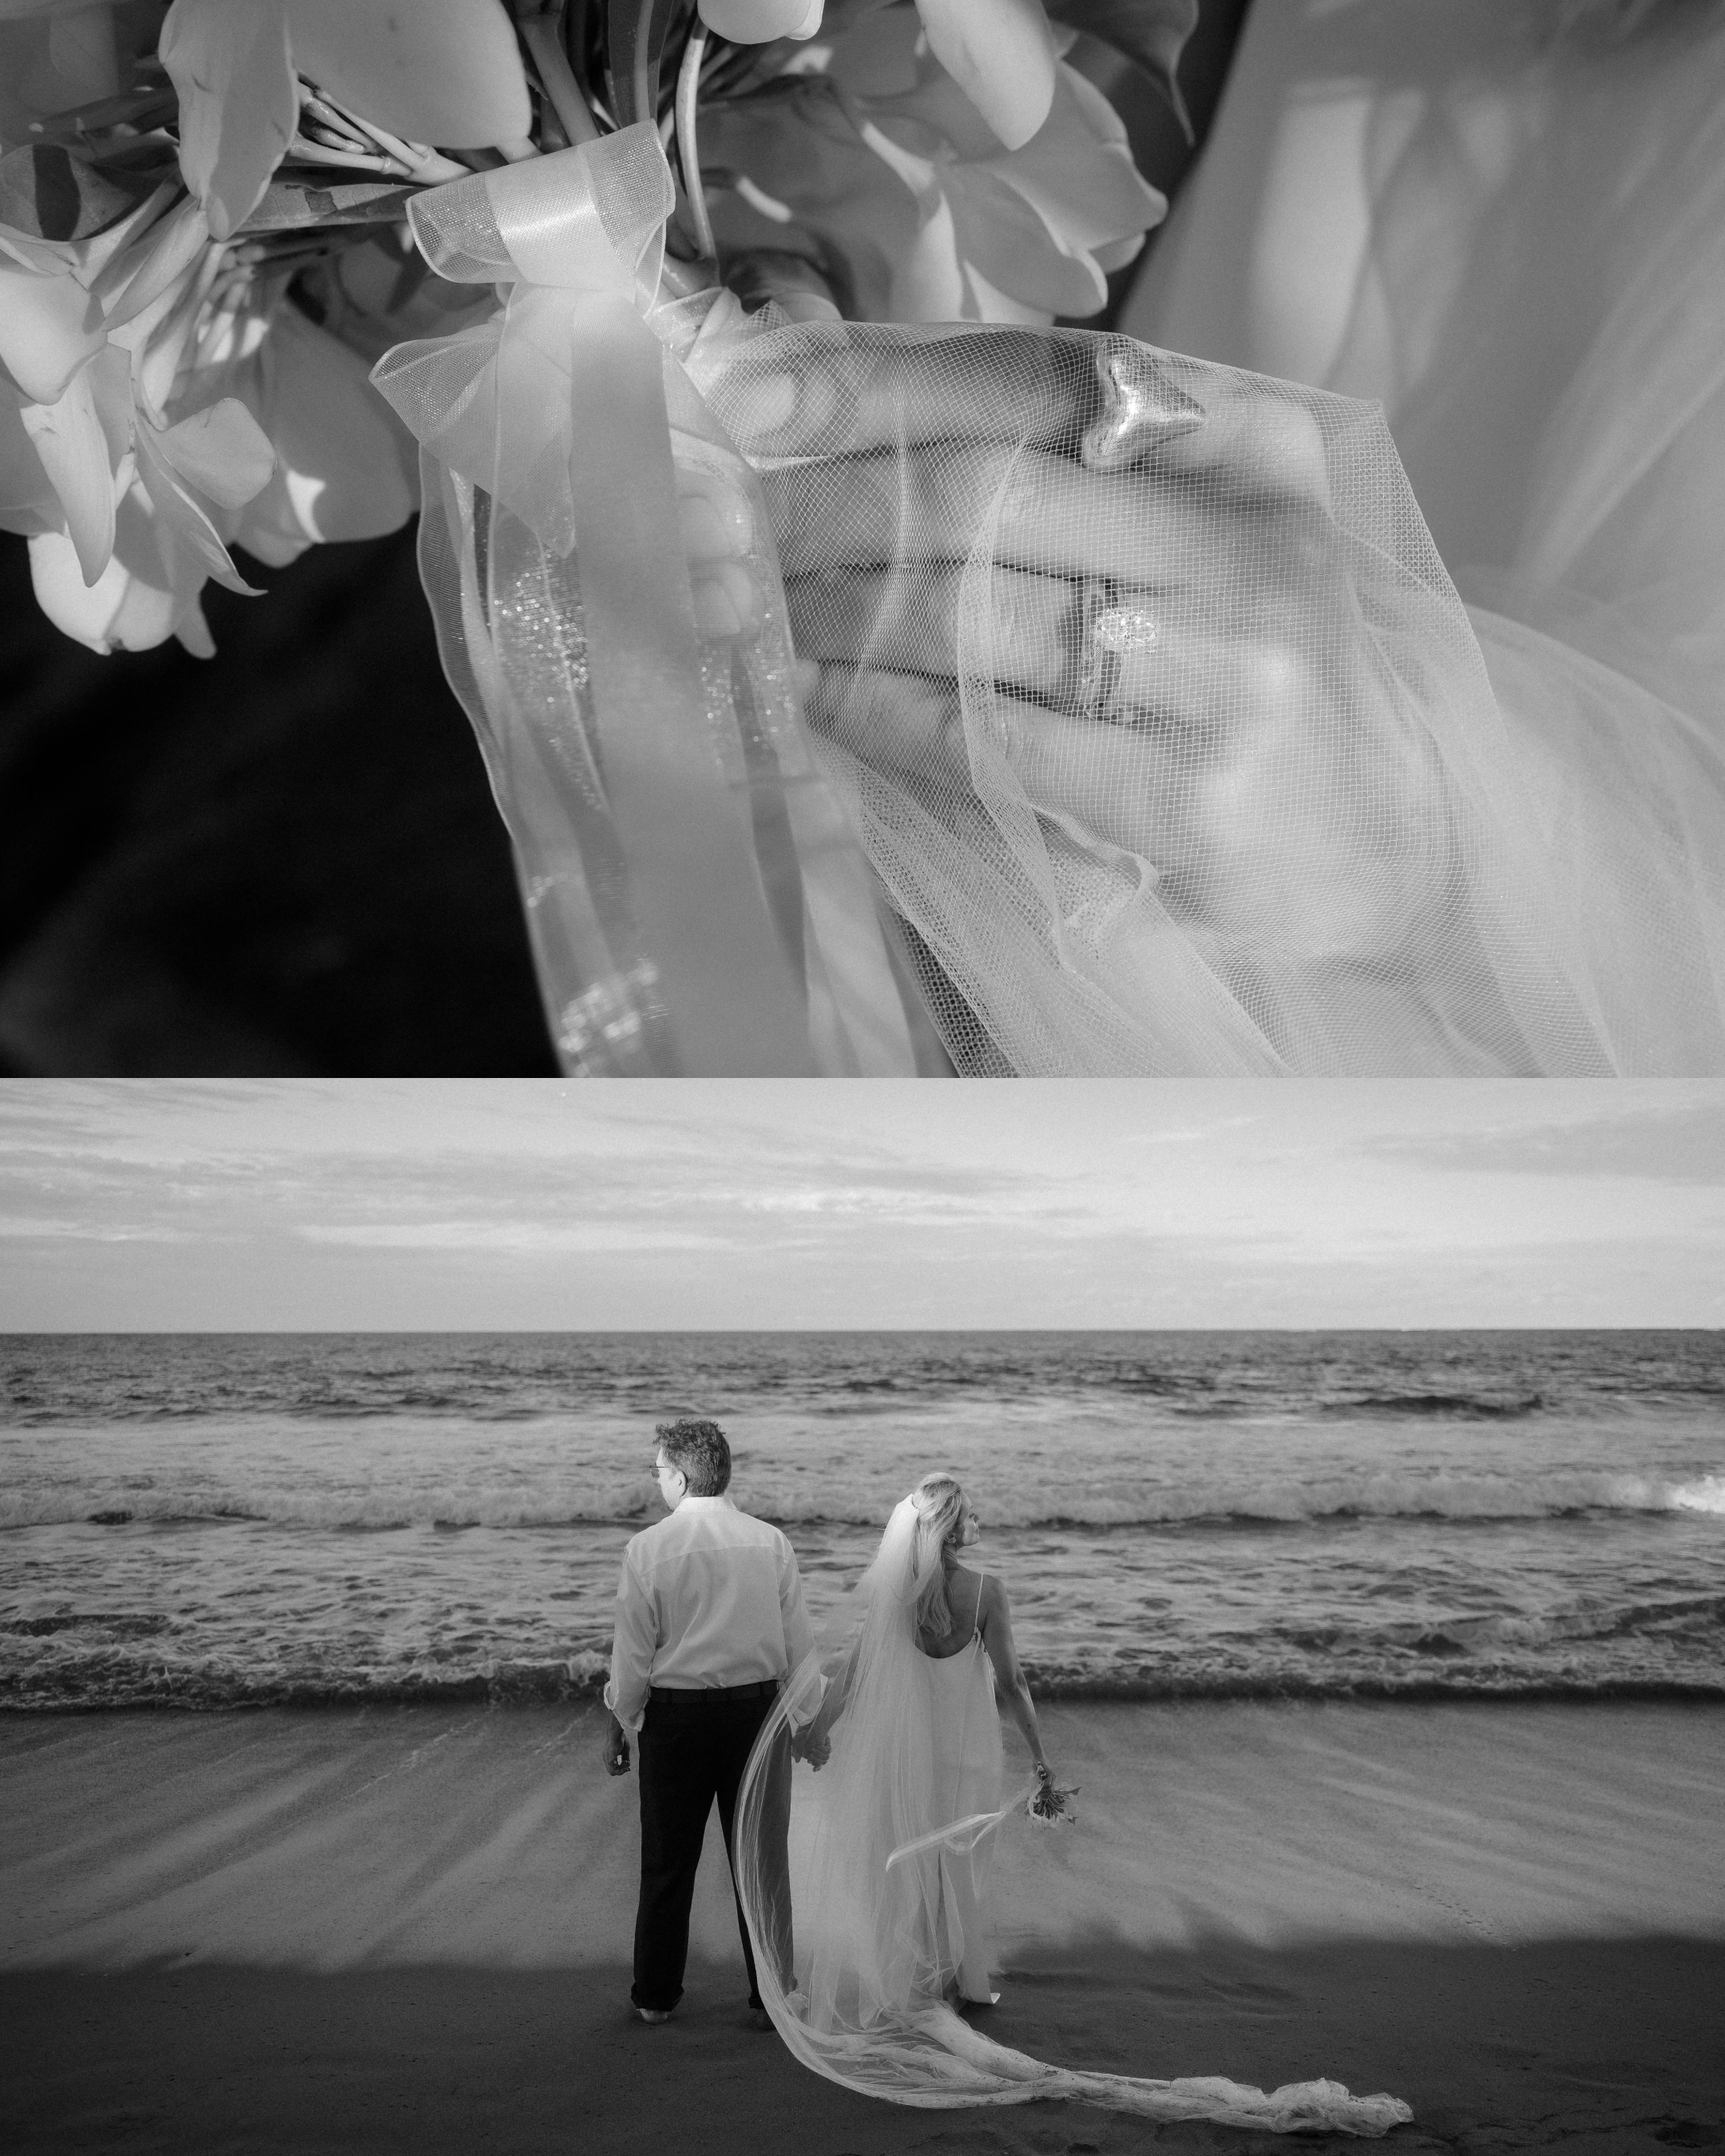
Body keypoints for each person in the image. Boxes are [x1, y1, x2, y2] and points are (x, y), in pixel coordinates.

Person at [730, 1475, 1411, 2133]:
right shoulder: (985, 1591)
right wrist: (1039, 1753)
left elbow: (855, 1672)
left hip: (909, 1754)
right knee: (958, 1858)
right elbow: (1012, 1681)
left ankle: (914, 1977)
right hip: (964, 1752)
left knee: (909, 1853)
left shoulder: (894, 1596)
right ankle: (953, 1980)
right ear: (955, 1529)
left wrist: (817, 1732)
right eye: (968, 1514)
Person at [602, 1417, 807, 2024]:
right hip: (758, 1717)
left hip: (677, 1722)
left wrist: (625, 1719)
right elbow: (799, 1647)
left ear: (681, 1477)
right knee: (760, 1863)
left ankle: (656, 1997)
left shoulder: (647, 1549)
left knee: (668, 1862)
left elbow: (633, 1658)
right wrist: (807, 1719)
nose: (656, 1481)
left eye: (658, 1470)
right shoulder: (771, 1543)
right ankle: (772, 1997)